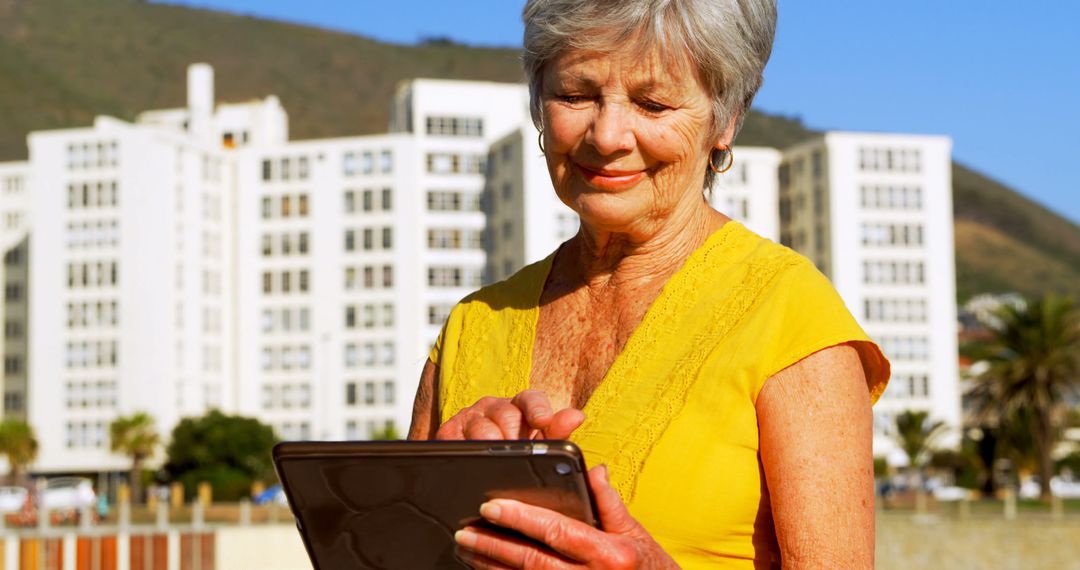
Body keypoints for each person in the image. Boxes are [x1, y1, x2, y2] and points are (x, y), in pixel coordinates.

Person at [409, 0, 890, 567]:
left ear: (725, 120)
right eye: (575, 95)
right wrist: (430, 505)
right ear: (539, 105)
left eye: (653, 103)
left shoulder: (790, 318)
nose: (608, 135)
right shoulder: (473, 324)